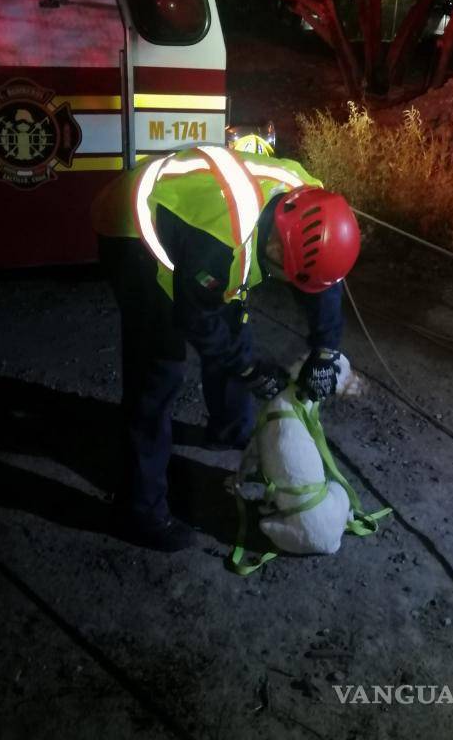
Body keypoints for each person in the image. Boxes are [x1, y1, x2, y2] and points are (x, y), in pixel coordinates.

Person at [91, 143, 360, 551]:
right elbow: (198, 318)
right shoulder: (222, 243)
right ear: (273, 249)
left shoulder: (313, 198)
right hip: (130, 225)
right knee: (160, 368)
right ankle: (139, 512)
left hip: (201, 223)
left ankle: (229, 429)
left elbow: (323, 283)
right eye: (286, 276)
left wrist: (325, 350)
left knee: (236, 320)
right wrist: (251, 368)